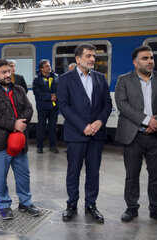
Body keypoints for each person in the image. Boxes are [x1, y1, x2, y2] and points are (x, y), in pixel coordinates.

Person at [115, 45, 157, 227]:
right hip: (133, 135)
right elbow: (122, 105)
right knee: (132, 174)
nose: (150, 61)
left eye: (152, 58)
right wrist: (147, 120)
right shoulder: (124, 80)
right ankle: (132, 207)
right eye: (145, 58)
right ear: (135, 62)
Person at [57, 44, 112, 223]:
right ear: (78, 59)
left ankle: (91, 205)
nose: (92, 59)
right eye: (88, 56)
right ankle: (71, 205)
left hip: (96, 134)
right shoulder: (65, 79)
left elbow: (107, 104)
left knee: (93, 172)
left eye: (93, 56)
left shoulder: (100, 78)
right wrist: (83, 126)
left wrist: (98, 122)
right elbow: (63, 106)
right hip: (76, 134)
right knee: (73, 171)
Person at [0, 59, 40, 220]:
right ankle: (4, 205)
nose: (8, 75)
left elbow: (29, 108)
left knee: (23, 174)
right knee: (0, 177)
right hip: (0, 142)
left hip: (19, 142)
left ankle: (25, 202)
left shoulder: (19, 89)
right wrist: (15, 124)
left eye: (9, 71)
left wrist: (21, 121)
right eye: (3, 72)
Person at [33, 59, 59, 154]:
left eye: (49, 65)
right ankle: (39, 147)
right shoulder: (37, 79)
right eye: (47, 66)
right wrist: (50, 97)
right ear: (41, 69)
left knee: (53, 127)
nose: (49, 67)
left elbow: (60, 88)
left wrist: (56, 95)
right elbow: (38, 92)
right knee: (41, 127)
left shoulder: (56, 77)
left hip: (54, 107)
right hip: (43, 107)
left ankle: (53, 146)